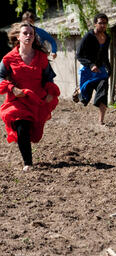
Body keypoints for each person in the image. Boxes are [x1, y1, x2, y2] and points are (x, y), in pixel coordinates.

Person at [0, 22, 60, 171]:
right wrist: (12, 89)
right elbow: (0, 78)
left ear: (34, 37)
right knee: (22, 127)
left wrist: (50, 93)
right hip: (18, 99)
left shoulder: (41, 58)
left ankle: (28, 151)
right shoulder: (8, 59)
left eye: (31, 33)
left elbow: (48, 78)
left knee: (36, 136)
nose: (28, 36)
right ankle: (28, 162)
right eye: (25, 33)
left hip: (37, 100)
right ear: (18, 37)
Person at [73, 13, 111, 125]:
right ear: (95, 24)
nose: (103, 25)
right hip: (87, 70)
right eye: (100, 23)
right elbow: (79, 55)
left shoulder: (107, 38)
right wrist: (90, 65)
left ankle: (101, 121)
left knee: (103, 92)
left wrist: (109, 68)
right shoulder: (88, 36)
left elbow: (104, 55)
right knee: (85, 97)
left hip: (100, 71)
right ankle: (79, 91)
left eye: (105, 23)